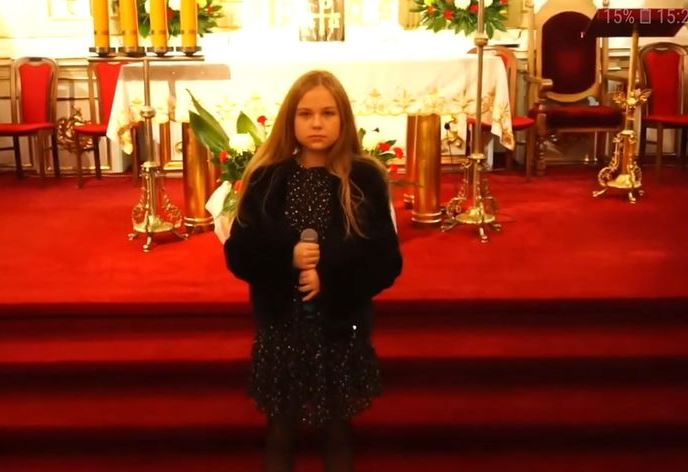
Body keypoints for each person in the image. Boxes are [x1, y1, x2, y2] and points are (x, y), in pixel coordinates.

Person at [224, 70, 403, 472]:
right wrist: (286, 259)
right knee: (281, 429)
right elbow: (239, 252)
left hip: (340, 326)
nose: (317, 123)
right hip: (282, 326)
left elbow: (385, 260)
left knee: (338, 429)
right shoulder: (268, 177)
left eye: (327, 113)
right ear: (291, 120)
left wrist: (331, 278)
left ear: (344, 119)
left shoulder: (364, 178)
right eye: (306, 114)